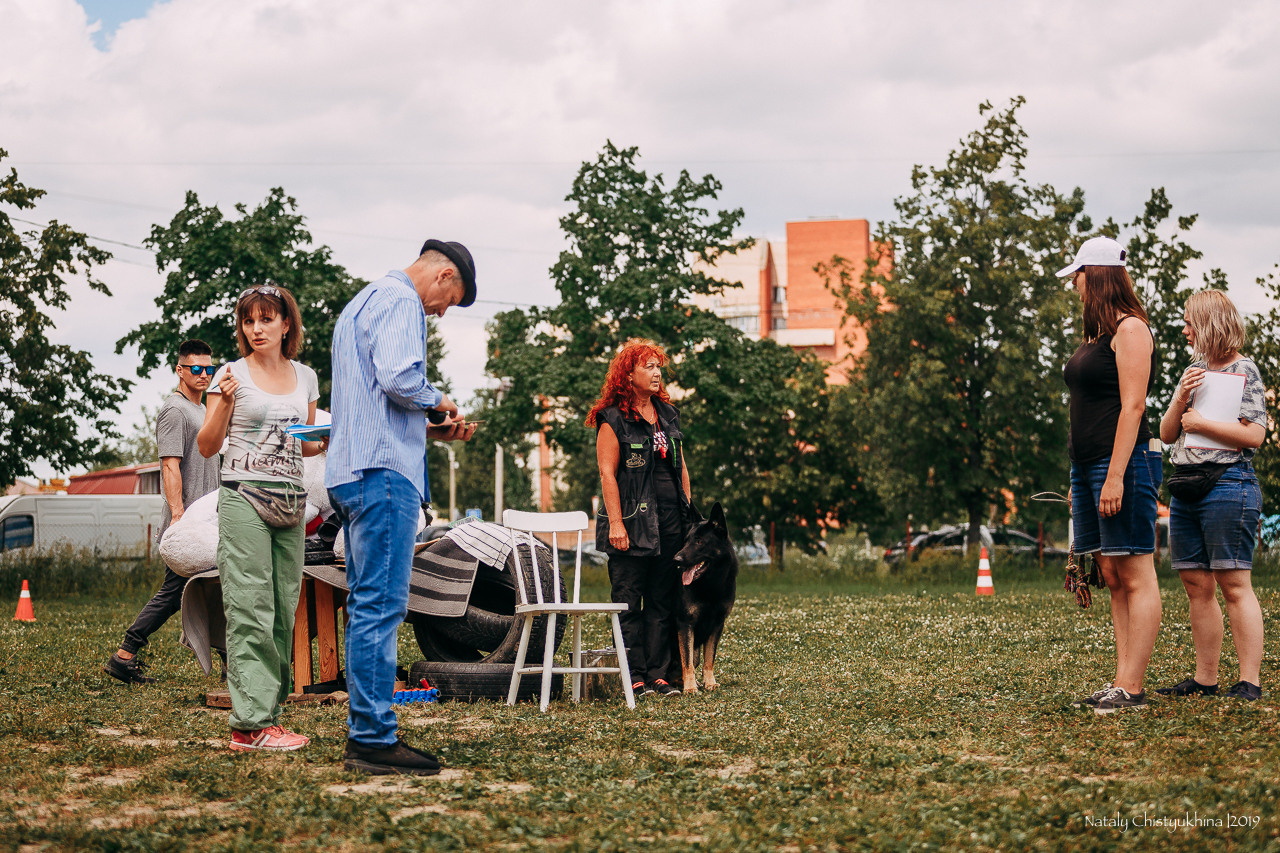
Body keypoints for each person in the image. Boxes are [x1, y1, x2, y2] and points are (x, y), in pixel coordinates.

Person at [327, 240, 478, 776]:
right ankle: (372, 739)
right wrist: (440, 400)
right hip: (383, 475)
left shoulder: (359, 304)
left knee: (367, 604)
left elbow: (374, 399)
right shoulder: (402, 301)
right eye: (448, 302)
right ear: (441, 276)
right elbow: (399, 378)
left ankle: (364, 733)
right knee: (382, 607)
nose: (440, 313)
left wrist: (429, 429)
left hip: (351, 470)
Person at [198, 285, 325, 752]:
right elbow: (208, 446)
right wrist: (226, 402)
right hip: (242, 497)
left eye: (267, 319)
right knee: (249, 605)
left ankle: (268, 715)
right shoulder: (229, 375)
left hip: (291, 499)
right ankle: (248, 726)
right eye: (249, 321)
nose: (257, 329)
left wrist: (327, 437)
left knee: (281, 608)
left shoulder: (306, 376)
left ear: (286, 324)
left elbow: (306, 443)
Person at [1060, 237, 1163, 715]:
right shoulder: (1097, 337)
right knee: (1110, 573)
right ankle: (1122, 680)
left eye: (1078, 276)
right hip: (1088, 467)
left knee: (1136, 572)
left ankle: (1133, 687)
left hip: (1120, 465)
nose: (1074, 286)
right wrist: (1080, 474)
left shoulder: (1132, 331)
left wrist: (1116, 475)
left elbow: (1134, 406)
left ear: (1096, 276)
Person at [1155, 290, 1266, 702]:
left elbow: (1254, 435)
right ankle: (1206, 679)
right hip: (1186, 484)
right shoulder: (1193, 370)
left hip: (1229, 482)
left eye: (1189, 323)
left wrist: (1202, 422)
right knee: (1195, 583)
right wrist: (1182, 395)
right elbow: (1169, 434)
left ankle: (1249, 682)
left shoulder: (1244, 370)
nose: (1184, 330)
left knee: (1234, 582)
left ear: (1210, 324)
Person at [104, 340, 222, 685]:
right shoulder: (176, 410)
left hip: (207, 521)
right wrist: (180, 517)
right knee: (174, 593)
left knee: (209, 589)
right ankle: (125, 653)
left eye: (208, 369)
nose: (202, 375)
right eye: (195, 369)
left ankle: (127, 654)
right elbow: (169, 466)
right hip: (188, 523)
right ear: (179, 370)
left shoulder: (203, 411)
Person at [587, 339, 692, 699]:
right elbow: (607, 474)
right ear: (627, 375)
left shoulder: (668, 415)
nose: (657, 372)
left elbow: (682, 468)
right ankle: (634, 677)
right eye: (647, 366)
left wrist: (688, 513)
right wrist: (615, 523)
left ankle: (660, 676)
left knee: (662, 602)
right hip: (632, 524)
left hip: (671, 525)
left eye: (658, 365)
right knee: (629, 603)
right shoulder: (613, 419)